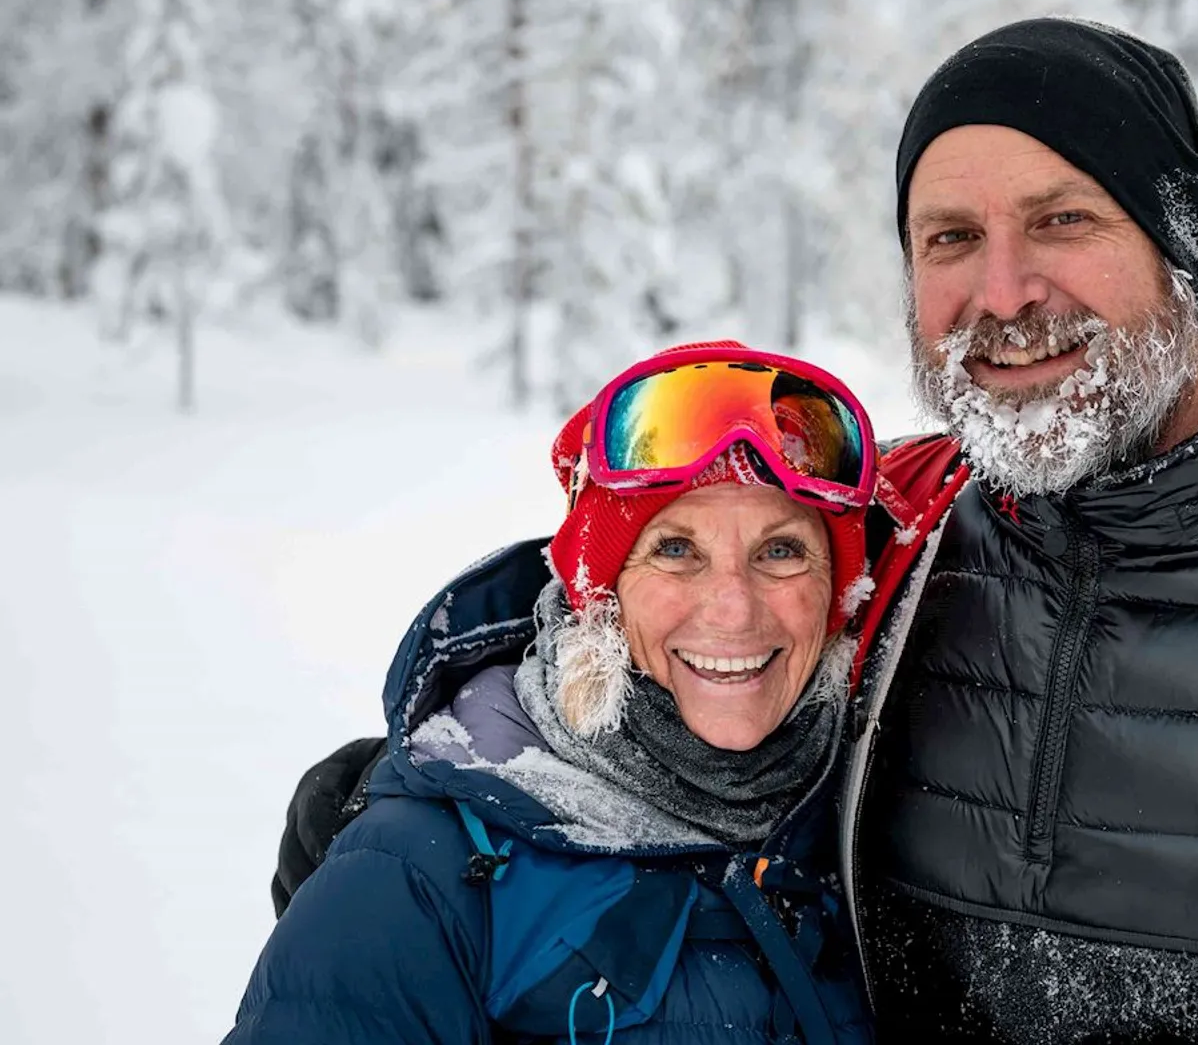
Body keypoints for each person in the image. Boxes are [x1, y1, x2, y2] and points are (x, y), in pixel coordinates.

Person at [278, 19, 1198, 1043]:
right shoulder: (888, 543)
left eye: (1062, 221)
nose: (1003, 292)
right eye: (949, 239)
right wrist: (426, 809)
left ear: (1183, 247)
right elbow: (654, 605)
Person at [228, 343, 879, 1044]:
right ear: (599, 596)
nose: (733, 610)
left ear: (839, 593)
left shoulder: (871, 825)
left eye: (780, 551)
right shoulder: (420, 877)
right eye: (675, 549)